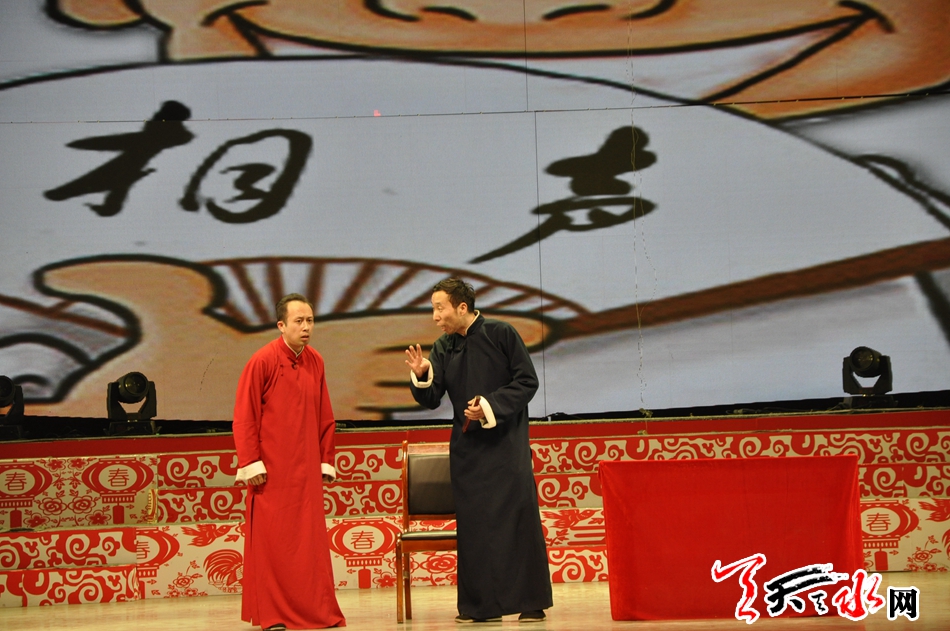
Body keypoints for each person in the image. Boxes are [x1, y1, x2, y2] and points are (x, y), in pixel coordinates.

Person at [405, 278, 553, 623]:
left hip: (506, 447)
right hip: (468, 451)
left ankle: (530, 602)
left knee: (518, 522)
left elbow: (527, 381)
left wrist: (488, 405)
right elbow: (432, 398)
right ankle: (481, 606)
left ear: (462, 307)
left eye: (439, 308)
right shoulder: (443, 346)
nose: (435, 317)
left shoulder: (501, 334)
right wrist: (423, 375)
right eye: (433, 309)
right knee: (475, 529)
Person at [233, 293, 345, 630]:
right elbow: (245, 416)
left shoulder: (316, 361)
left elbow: (325, 415)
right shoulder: (262, 361)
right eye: (299, 321)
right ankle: (274, 615)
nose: (306, 327)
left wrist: (325, 460)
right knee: (273, 545)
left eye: (310, 320)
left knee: (308, 546)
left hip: (306, 470)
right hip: (272, 471)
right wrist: (251, 463)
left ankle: (317, 612)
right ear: (281, 325)